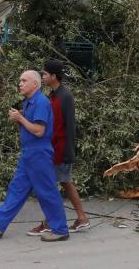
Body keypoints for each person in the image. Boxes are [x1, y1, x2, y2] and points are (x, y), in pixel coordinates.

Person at [0, 70, 70, 242]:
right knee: (17, 190)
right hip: (29, 153)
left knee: (47, 192)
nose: (20, 83)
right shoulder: (28, 102)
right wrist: (18, 120)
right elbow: (28, 128)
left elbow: (39, 130)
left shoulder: (41, 102)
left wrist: (20, 119)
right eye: (19, 80)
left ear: (35, 84)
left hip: (39, 153)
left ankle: (60, 229)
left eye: (24, 80)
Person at [28, 59, 90, 236]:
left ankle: (50, 222)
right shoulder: (53, 95)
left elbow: (69, 127)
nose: (43, 77)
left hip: (60, 149)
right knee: (63, 183)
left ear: (54, 76)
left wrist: (67, 152)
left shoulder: (65, 96)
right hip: (53, 148)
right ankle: (81, 218)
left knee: (51, 186)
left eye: (45, 74)